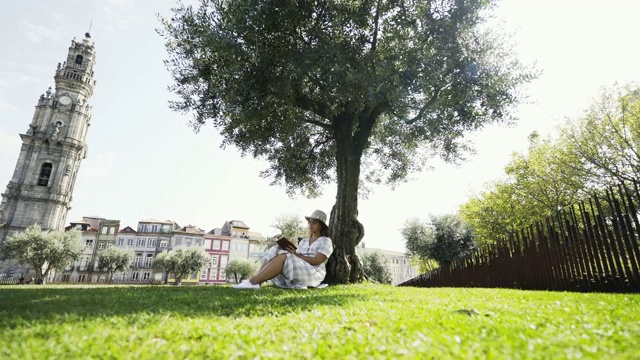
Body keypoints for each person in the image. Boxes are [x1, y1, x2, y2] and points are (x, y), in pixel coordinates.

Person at [232, 209, 333, 289]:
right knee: (276, 248)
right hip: (299, 267)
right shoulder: (304, 241)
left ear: (321, 226)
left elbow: (317, 260)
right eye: (309, 222)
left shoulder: (326, 241)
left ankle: (253, 282)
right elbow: (297, 257)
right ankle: (256, 279)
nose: (310, 224)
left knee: (283, 256)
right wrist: (292, 251)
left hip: (313, 273)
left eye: (314, 222)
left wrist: (296, 254)